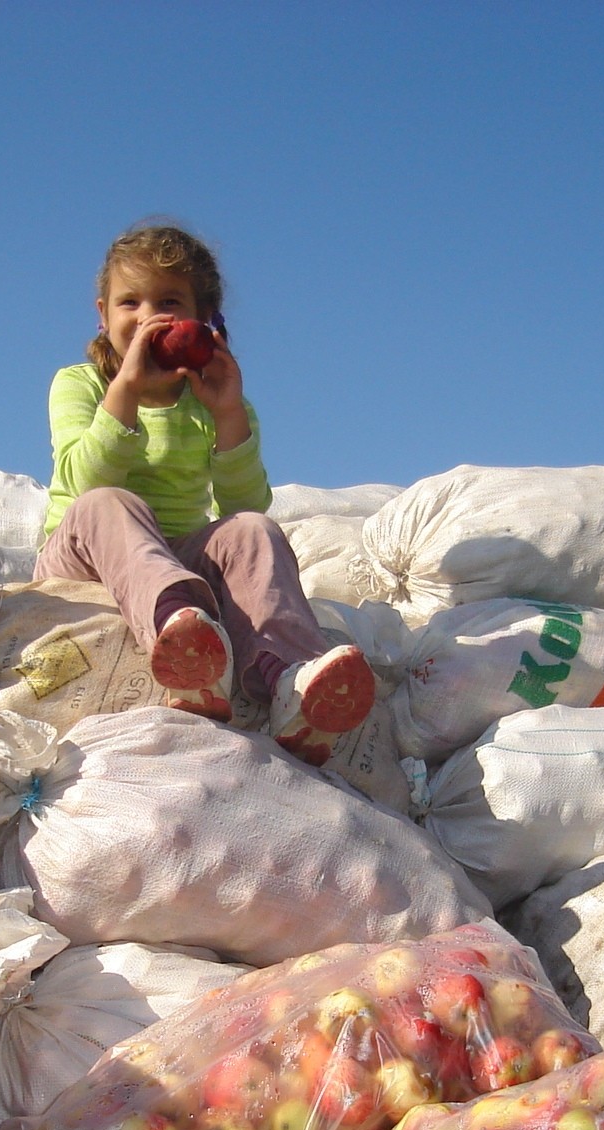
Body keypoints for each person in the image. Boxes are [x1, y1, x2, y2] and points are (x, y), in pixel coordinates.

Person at [34, 222, 374, 766]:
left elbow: (245, 503)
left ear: (204, 319)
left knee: (252, 531)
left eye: (168, 301)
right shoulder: (83, 383)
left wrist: (227, 413)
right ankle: (184, 637)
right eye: (130, 302)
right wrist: (126, 390)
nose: (147, 316)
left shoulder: (210, 401)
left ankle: (292, 680)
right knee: (111, 503)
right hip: (82, 554)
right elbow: (84, 484)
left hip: (171, 557)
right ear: (103, 314)